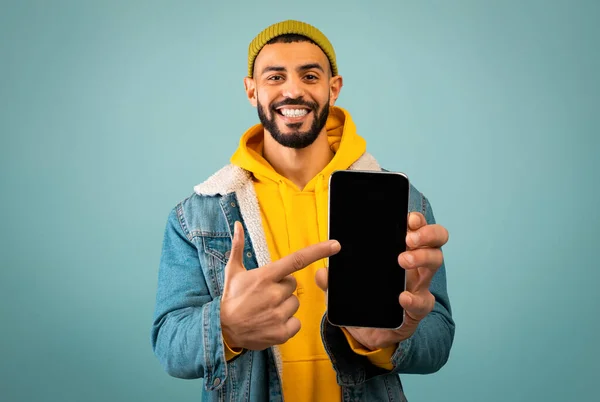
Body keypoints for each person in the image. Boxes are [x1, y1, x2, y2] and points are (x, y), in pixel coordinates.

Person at [151, 19, 454, 402]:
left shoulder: (404, 203)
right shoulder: (198, 215)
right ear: (252, 90)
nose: (293, 90)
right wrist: (225, 327)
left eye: (310, 75)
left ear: (334, 87)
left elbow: (438, 340)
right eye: (275, 77)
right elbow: (168, 345)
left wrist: (390, 340)